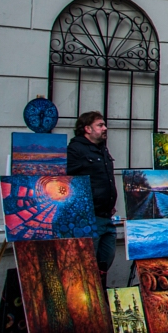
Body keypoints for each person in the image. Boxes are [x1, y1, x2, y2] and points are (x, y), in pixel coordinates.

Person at [67, 111, 117, 287]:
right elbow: (68, 180)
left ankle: (99, 294)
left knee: (106, 259)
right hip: (89, 218)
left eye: (104, 125)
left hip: (107, 216)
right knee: (87, 265)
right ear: (87, 129)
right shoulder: (76, 149)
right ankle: (90, 302)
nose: (105, 128)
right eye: (100, 125)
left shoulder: (102, 149)